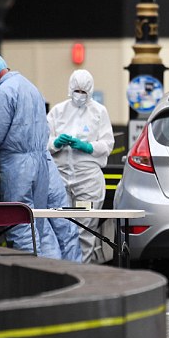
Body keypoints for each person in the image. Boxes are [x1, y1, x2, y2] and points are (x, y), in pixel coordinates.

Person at [0, 83, 82, 261]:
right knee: (47, 224)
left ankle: (45, 274)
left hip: (23, 166)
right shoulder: (28, 92)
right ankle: (66, 271)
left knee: (31, 225)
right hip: (40, 162)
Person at [0, 53, 54, 257]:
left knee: (20, 225)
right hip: (40, 163)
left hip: (18, 166)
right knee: (39, 225)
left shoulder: (4, 91)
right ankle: (50, 273)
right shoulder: (29, 86)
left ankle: (30, 275)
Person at [47, 69, 115, 264]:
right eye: (76, 91)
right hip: (60, 179)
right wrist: (55, 143)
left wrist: (87, 146)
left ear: (90, 91)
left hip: (88, 182)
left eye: (84, 92)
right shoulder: (58, 112)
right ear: (70, 89)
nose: (79, 95)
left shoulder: (99, 112)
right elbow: (42, 142)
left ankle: (82, 270)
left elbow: (107, 144)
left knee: (85, 229)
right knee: (62, 226)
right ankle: (63, 270)